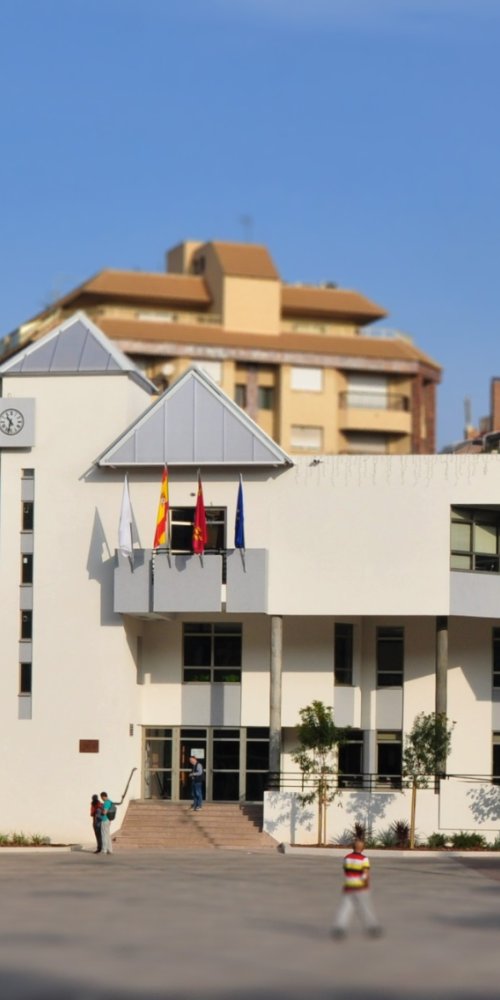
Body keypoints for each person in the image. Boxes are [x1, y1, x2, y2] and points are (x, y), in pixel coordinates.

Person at [331, 837, 382, 939]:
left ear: (353, 847)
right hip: (360, 887)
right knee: (365, 907)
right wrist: (366, 884)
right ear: (363, 848)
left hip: (349, 886)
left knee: (345, 907)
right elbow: (365, 874)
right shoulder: (364, 859)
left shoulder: (347, 858)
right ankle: (372, 927)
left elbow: (346, 871)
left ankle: (339, 927)